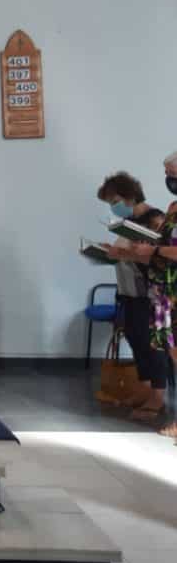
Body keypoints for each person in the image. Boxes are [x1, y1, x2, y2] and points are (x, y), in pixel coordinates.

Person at [116, 152, 177, 439]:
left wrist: (152, 250)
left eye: (171, 173)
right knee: (171, 353)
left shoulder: (158, 213)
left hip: (170, 290)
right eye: (166, 172)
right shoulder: (174, 208)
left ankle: (166, 408)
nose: (168, 179)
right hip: (163, 290)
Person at [97, 172, 168, 419]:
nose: (113, 207)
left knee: (152, 344)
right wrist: (110, 252)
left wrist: (124, 255)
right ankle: (145, 388)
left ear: (129, 195)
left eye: (114, 201)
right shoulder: (129, 224)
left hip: (150, 292)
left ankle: (158, 396)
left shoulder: (155, 218)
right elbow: (131, 252)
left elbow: (155, 257)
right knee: (136, 339)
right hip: (130, 291)